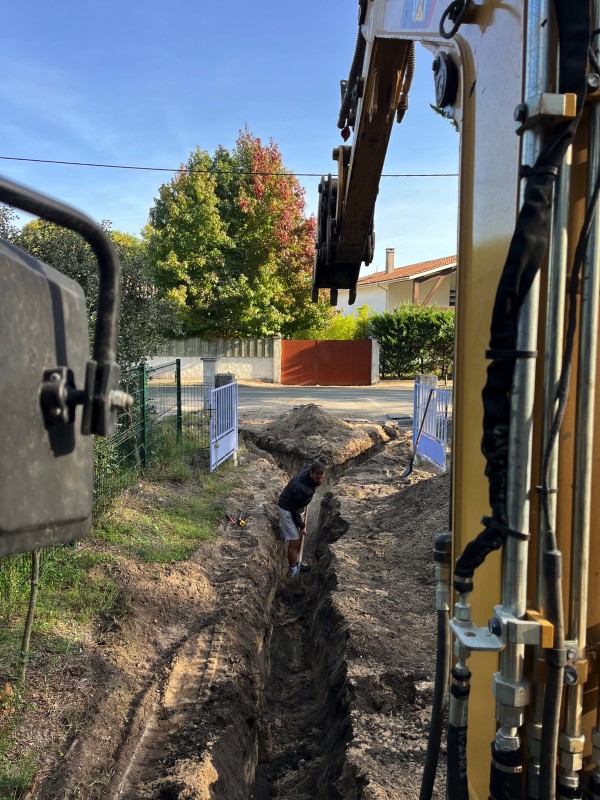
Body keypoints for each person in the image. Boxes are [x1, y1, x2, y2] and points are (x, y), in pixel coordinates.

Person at [278, 461, 326, 576]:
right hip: (288, 509)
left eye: (322, 478)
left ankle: (298, 560)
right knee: (294, 541)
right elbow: (294, 510)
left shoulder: (310, 468)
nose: (319, 481)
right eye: (317, 478)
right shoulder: (302, 490)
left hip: (297, 505)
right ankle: (293, 570)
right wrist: (302, 526)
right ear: (311, 473)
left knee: (299, 536)